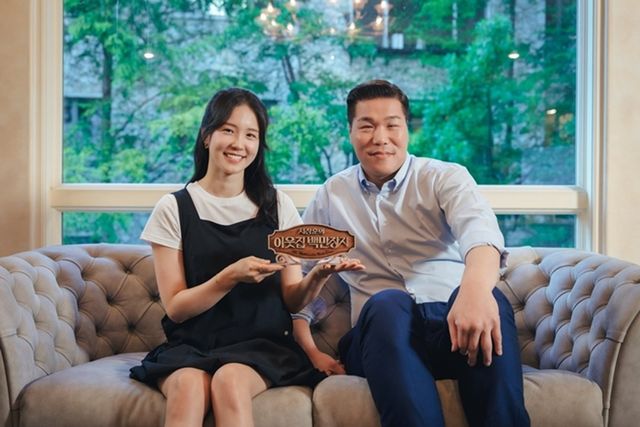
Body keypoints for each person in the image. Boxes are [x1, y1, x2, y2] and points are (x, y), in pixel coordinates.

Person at [292, 80, 530, 427]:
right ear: (350, 132)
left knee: (490, 296)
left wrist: (475, 293)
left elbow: (480, 236)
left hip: (454, 327)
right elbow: (298, 276)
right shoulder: (332, 194)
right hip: (381, 338)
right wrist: (311, 350)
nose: (380, 137)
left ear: (407, 129)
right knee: (389, 302)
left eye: (392, 125)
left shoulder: (444, 177)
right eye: (367, 126)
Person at [129, 87, 364, 427]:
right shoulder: (173, 208)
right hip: (192, 344)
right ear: (207, 136)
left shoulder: (277, 205)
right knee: (188, 385)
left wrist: (318, 275)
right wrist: (229, 277)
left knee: (229, 380)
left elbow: (292, 298)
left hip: (263, 345)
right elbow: (176, 308)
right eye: (228, 130)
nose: (239, 143)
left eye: (251, 135)